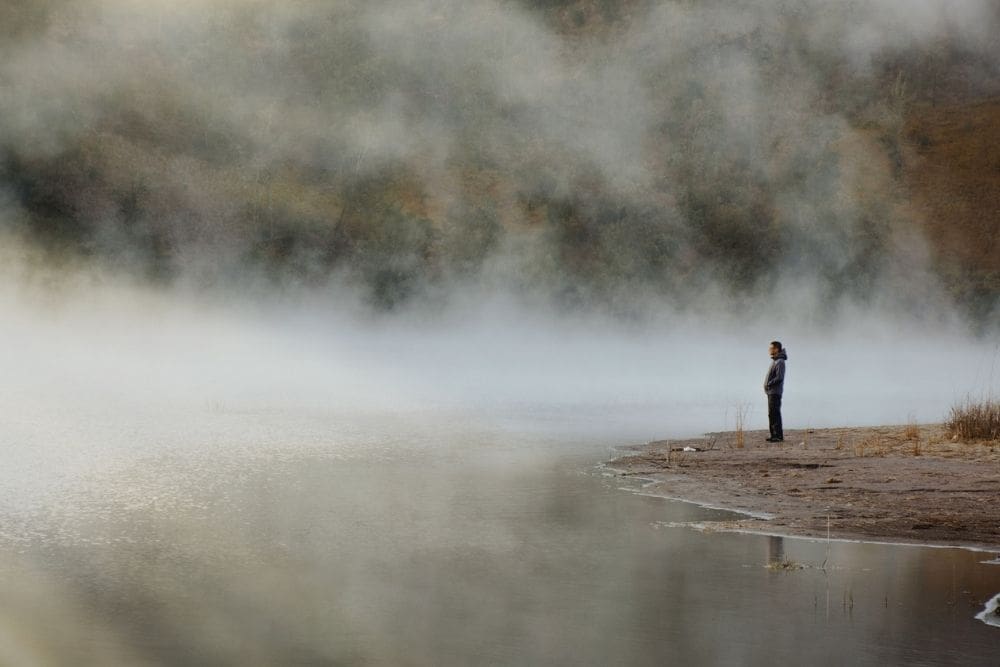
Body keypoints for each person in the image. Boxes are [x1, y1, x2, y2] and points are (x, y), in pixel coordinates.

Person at [764, 341, 787, 442]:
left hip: (775, 392)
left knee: (775, 413)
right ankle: (774, 435)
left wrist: (769, 384)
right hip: (771, 392)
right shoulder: (775, 361)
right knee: (771, 414)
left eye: (771, 348)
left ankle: (778, 436)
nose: (769, 350)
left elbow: (779, 377)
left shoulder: (780, 361)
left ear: (776, 349)